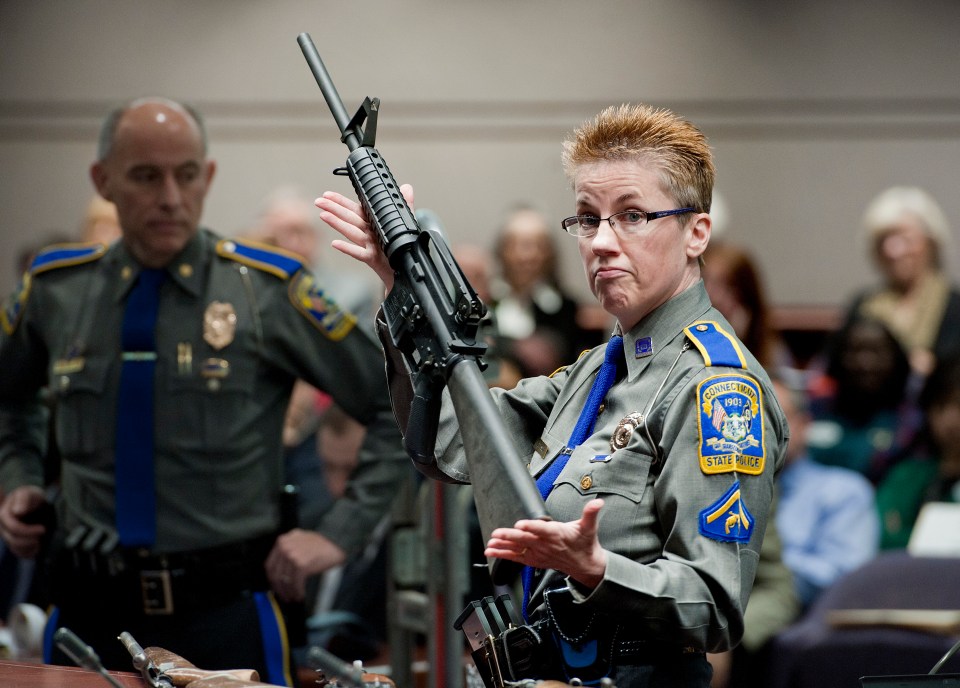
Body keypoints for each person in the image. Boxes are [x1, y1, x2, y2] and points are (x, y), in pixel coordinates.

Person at [317, 102, 789, 687]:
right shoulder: (597, 369)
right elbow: (452, 440)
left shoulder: (717, 388)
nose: (602, 242)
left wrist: (595, 568)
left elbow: (713, 608)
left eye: (633, 215)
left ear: (696, 232)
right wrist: (403, 290)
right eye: (588, 218)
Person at [0, 97, 407, 684]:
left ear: (207, 176)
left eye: (186, 174)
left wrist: (336, 534)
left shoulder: (265, 293)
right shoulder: (57, 292)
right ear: (103, 181)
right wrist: (18, 482)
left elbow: (393, 402)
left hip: (228, 614)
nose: (170, 196)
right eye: (146, 176)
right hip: (88, 610)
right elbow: (9, 400)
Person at [772, 374, 879, 610]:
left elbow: (845, 580)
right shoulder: (719, 491)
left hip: (806, 625)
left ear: (804, 424)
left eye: (773, 418)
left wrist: (757, 564)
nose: (760, 431)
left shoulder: (843, 490)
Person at [844, 186, 960, 378]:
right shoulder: (863, 306)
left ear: (931, 243)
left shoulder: (954, 306)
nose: (893, 250)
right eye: (883, 241)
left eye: (905, 239)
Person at [490, 205, 604, 377]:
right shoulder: (485, 305)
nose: (527, 257)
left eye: (538, 245)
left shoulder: (572, 311)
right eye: (518, 245)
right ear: (502, 251)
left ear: (550, 254)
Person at [805, 315, 921, 484]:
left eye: (876, 351)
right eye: (855, 350)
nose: (865, 363)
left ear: (896, 358)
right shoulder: (812, 412)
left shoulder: (911, 421)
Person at [876, 353, 960, 549]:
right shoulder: (906, 475)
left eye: (959, 405)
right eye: (940, 405)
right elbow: (886, 538)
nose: (951, 420)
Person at [701, 241, 792, 371]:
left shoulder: (772, 351)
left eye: (726, 286)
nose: (712, 294)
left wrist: (738, 338)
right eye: (706, 280)